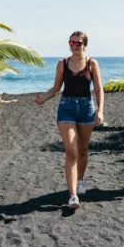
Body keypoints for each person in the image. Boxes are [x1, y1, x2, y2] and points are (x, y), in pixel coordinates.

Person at [35, 31, 104, 209]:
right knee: (71, 151)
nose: (74, 45)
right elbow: (56, 88)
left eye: (78, 43)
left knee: (82, 150)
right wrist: (43, 97)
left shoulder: (92, 63)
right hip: (66, 108)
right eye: (71, 42)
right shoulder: (62, 64)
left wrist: (100, 110)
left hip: (87, 108)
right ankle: (73, 195)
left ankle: (80, 180)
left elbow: (98, 89)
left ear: (84, 45)